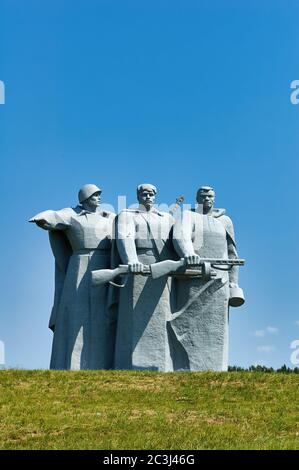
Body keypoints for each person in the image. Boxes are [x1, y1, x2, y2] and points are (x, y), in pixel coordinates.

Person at [29, 184, 116, 370]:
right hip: (80, 266)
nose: (99, 198)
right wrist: (42, 218)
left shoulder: (108, 217)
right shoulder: (72, 214)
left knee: (104, 315)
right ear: (85, 198)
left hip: (106, 264)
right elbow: (53, 216)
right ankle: (73, 364)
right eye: (95, 195)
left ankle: (106, 363)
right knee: (78, 314)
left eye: (100, 195)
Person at [171, 186, 244, 371]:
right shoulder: (188, 216)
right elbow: (180, 236)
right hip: (194, 277)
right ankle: (183, 366)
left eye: (210, 196)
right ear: (197, 198)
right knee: (187, 324)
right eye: (203, 196)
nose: (207, 199)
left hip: (220, 279)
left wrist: (234, 282)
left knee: (217, 328)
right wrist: (189, 253)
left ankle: (215, 370)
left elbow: (232, 254)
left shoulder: (225, 221)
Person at [113, 183, 175, 371]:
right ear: (138, 196)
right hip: (139, 265)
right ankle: (131, 364)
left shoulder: (167, 218)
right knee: (134, 318)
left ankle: (161, 365)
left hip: (163, 268)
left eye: (151, 194)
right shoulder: (127, 215)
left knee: (162, 317)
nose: (148, 197)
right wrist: (131, 260)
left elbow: (177, 242)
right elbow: (125, 236)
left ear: (156, 196)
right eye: (144, 194)